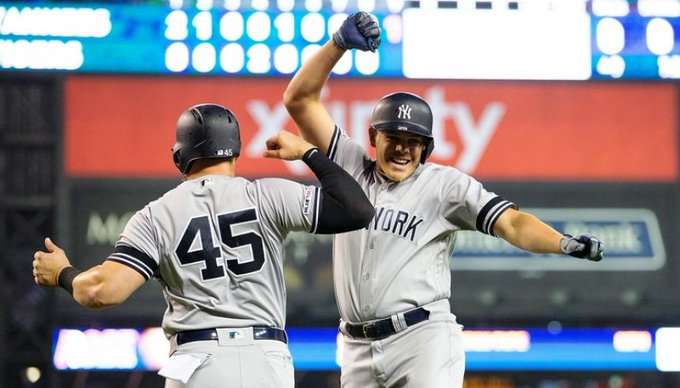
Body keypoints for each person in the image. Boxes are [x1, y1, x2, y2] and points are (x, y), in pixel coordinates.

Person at [283, 12, 604, 388]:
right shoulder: (351, 166)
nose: (403, 148)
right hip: (356, 347)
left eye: (413, 141)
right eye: (394, 137)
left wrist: (562, 242)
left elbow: (512, 222)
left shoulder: (444, 186)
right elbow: (299, 99)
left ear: (427, 147)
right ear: (374, 137)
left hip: (422, 339)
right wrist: (337, 44)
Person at [31, 103, 375, 388]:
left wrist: (62, 272)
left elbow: (102, 291)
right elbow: (357, 209)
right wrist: (308, 153)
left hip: (198, 363)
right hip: (266, 362)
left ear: (179, 156)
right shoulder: (266, 195)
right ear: (235, 152)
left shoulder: (158, 215)